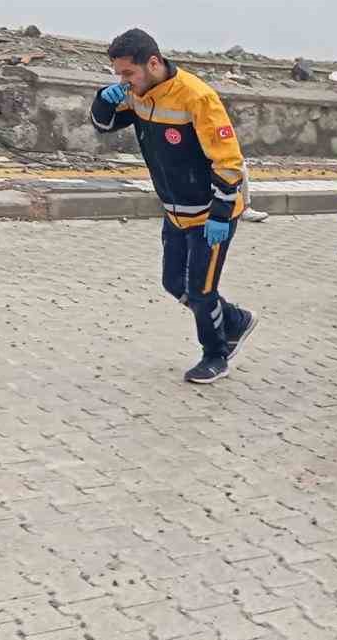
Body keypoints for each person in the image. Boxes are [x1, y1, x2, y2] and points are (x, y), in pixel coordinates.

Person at [90, 28, 257, 383]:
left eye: (127, 73)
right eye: (118, 74)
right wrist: (103, 100)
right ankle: (234, 320)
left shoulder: (197, 98)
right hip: (175, 212)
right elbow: (103, 125)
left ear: (153, 63)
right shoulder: (138, 94)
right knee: (173, 282)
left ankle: (216, 355)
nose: (124, 81)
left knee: (201, 288)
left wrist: (221, 214)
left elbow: (228, 161)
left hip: (210, 214)